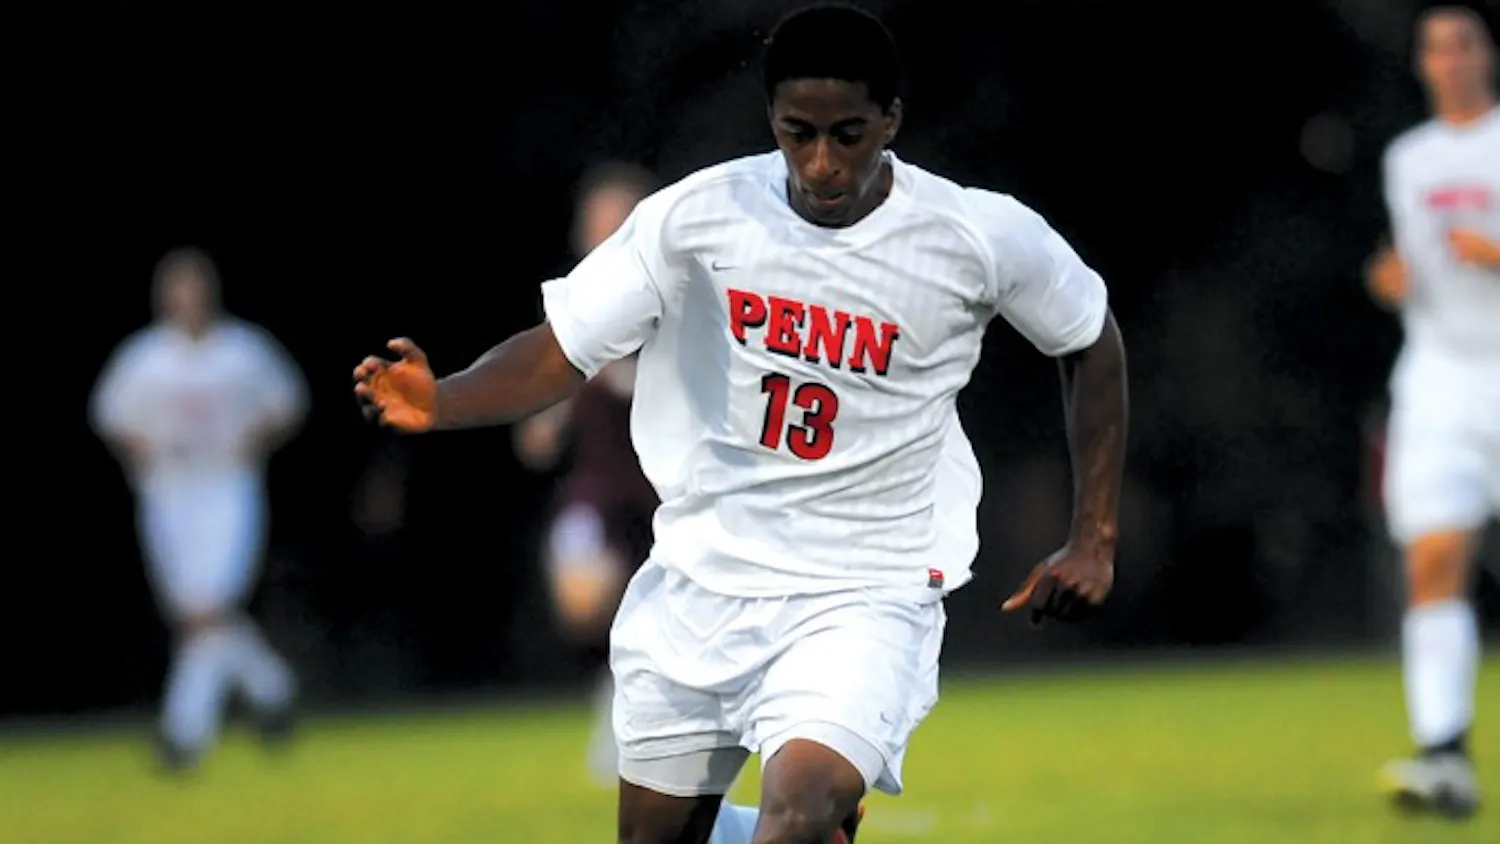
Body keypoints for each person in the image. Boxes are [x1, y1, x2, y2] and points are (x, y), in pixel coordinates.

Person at [354, 5, 1128, 843]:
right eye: (798, 134)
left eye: (849, 135)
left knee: (794, 811)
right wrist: (445, 399)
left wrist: (1094, 536)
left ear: (892, 122)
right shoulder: (699, 218)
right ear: (772, 120)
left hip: (864, 593)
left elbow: (1090, 339)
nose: (822, 163)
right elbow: (564, 346)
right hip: (702, 580)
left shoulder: (973, 235)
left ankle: (816, 813)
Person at [92, 247, 307, 772]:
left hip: (227, 489)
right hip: (168, 493)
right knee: (194, 615)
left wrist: (252, 439)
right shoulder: (144, 357)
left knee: (206, 609)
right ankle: (272, 687)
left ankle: (183, 733)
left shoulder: (242, 350)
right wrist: (141, 446)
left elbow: (287, 404)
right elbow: (111, 416)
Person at [1365, 3, 1499, 820]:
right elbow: (1407, 258)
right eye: (1436, 47)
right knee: (1434, 559)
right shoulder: (1407, 159)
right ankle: (1443, 752)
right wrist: (1391, 279)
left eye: (1464, 43)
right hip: (1440, 380)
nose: (1449, 59)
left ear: (1487, 54)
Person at [513, 162, 660, 786]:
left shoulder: (673, 298)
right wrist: (544, 417)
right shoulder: (570, 307)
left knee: (672, 627)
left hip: (668, 489)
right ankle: (617, 688)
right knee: (582, 600)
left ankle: (648, 721)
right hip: (600, 489)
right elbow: (538, 428)